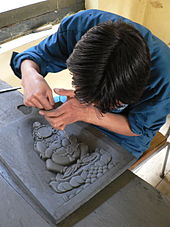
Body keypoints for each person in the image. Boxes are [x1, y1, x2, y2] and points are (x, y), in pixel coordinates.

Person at [10, 9, 170, 159]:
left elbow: (138, 127)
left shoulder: (165, 77)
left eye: (111, 102)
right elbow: (36, 56)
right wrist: (30, 75)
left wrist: (88, 113)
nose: (92, 105)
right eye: (86, 96)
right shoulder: (78, 28)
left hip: (124, 127)